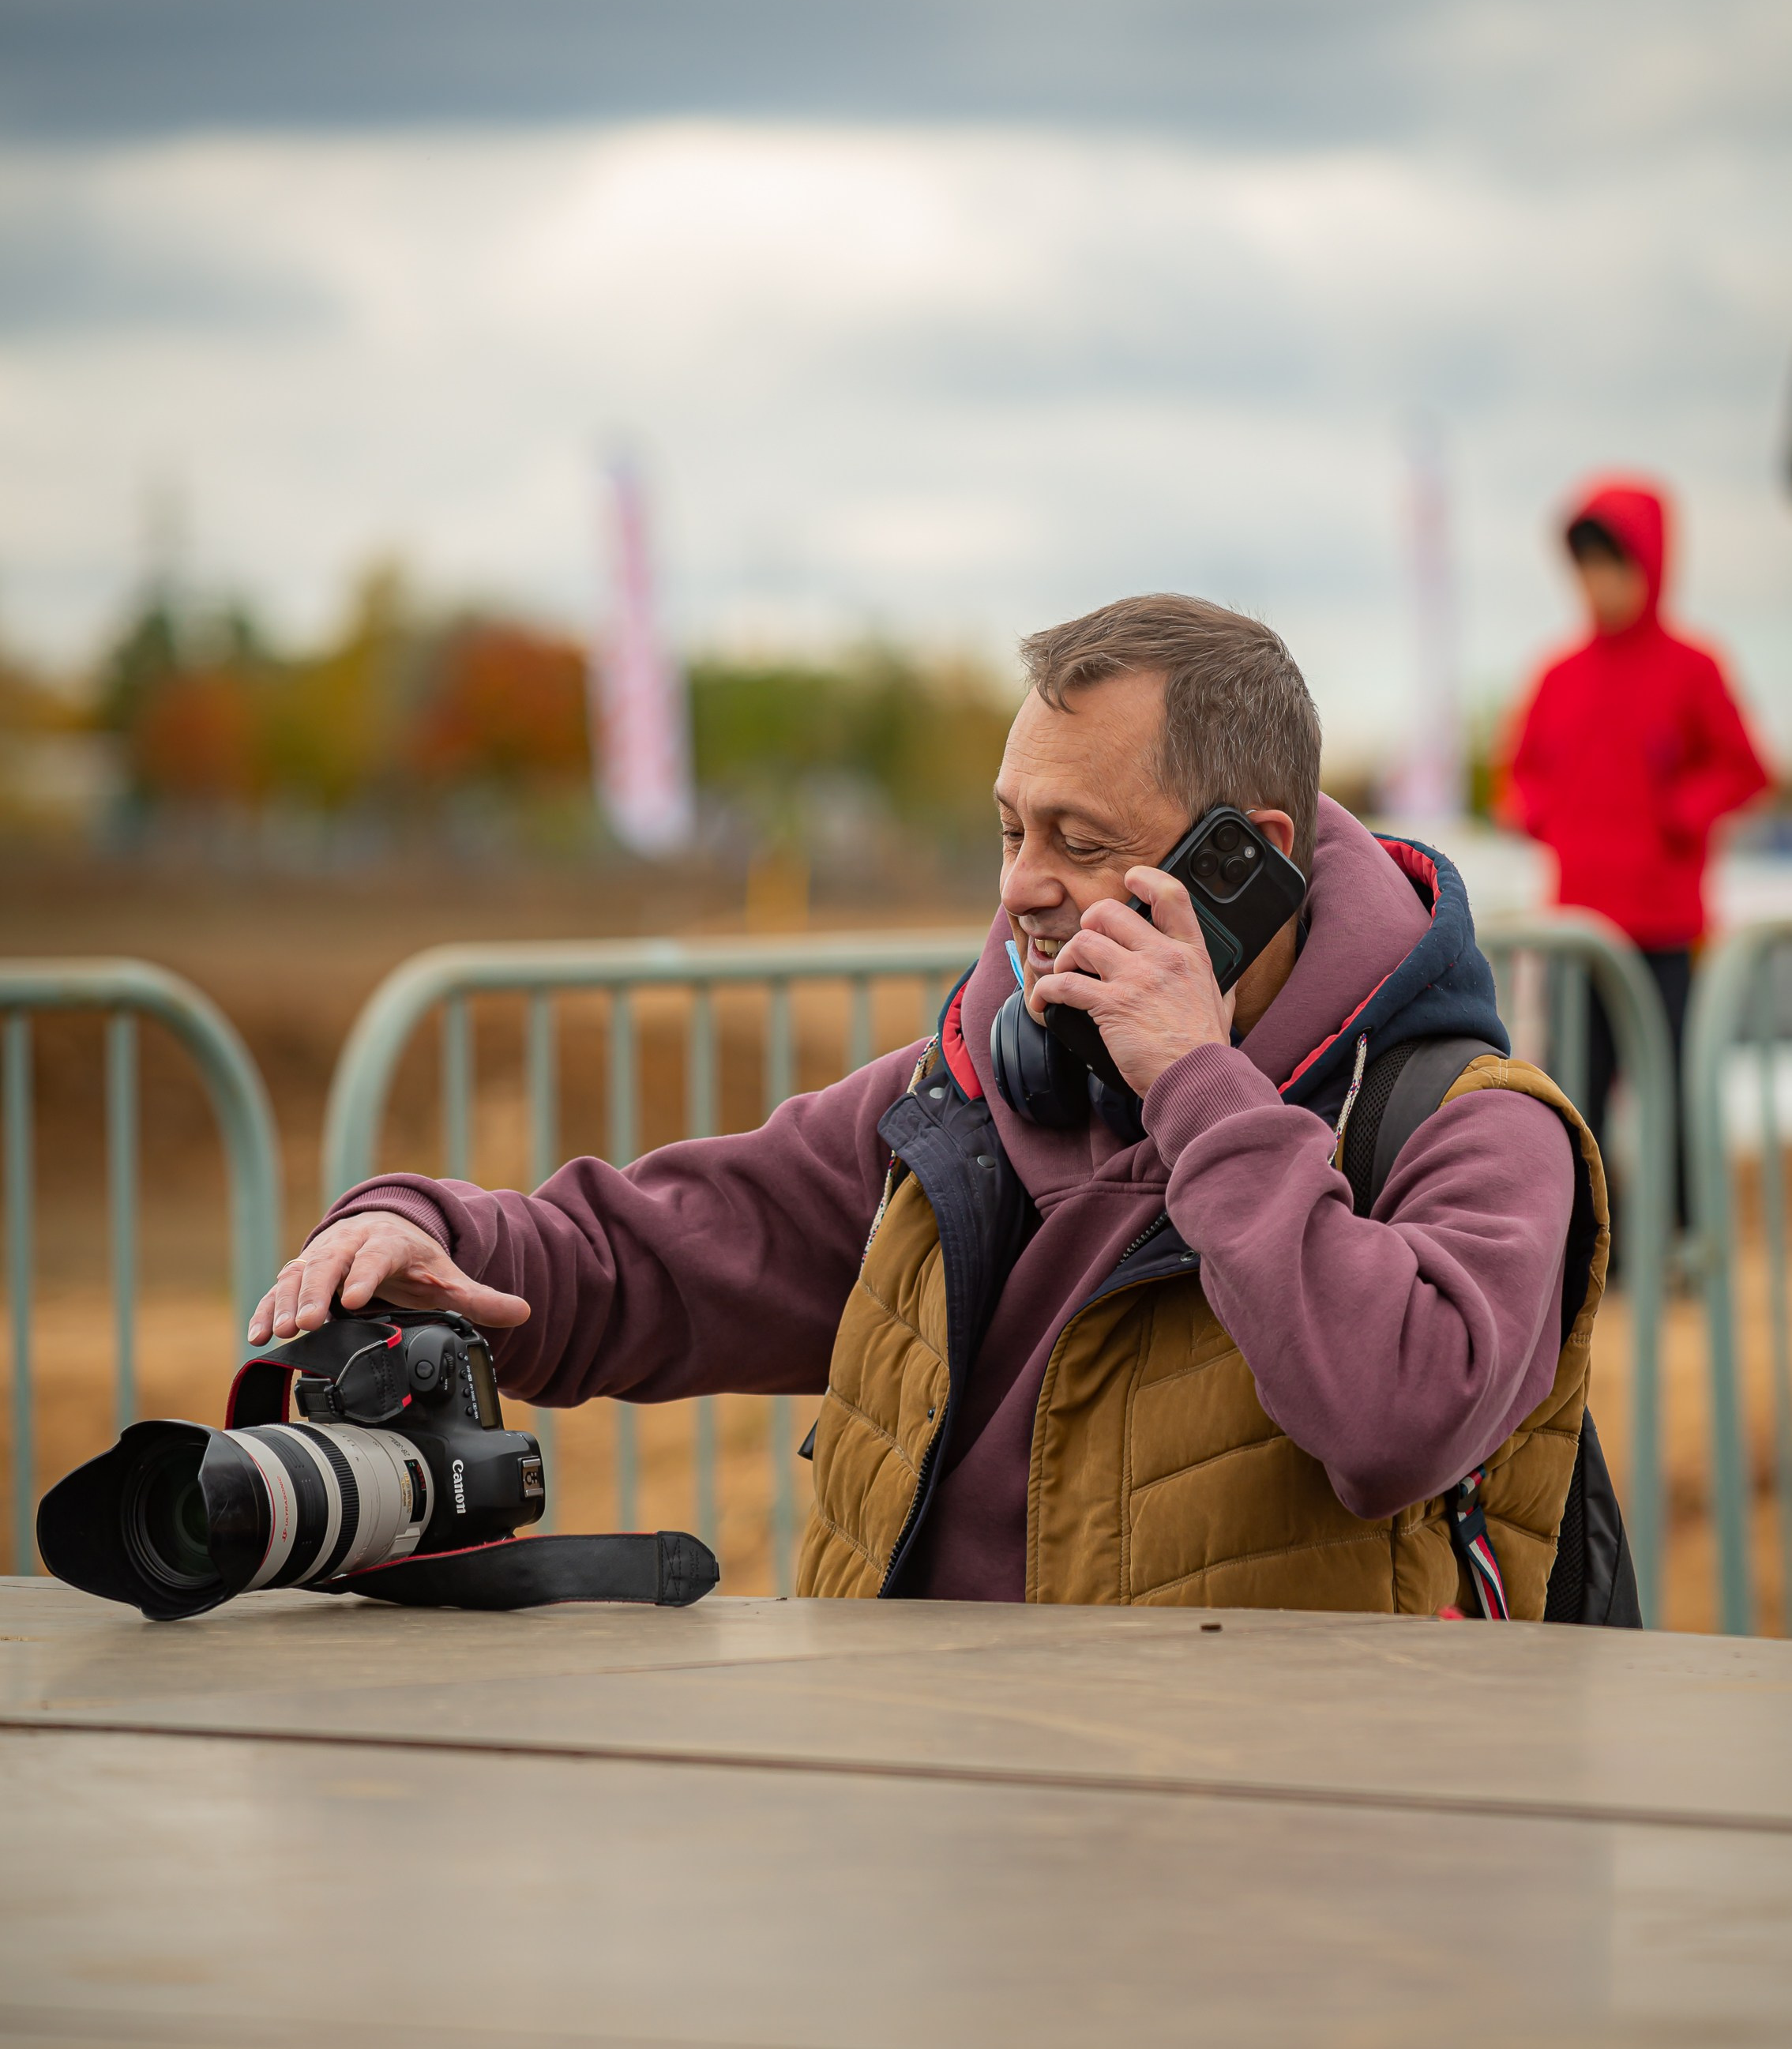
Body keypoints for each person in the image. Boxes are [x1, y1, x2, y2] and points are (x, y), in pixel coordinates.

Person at [257, 594, 1608, 1617]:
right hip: (937, 1848)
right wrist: (426, 1235)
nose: (1020, 885)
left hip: (1280, 1895)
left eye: (1080, 844)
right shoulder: (962, 1103)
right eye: (1009, 830)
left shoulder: (1474, 1128)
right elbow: (650, 1252)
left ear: (1244, 864)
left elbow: (1388, 1420)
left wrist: (1199, 1089)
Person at [1503, 478, 1770, 1236]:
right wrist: (1540, 813)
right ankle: (1597, 1249)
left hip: (1664, 927)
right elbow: (1517, 775)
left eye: (1614, 565)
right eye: (1587, 567)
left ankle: (1687, 1246)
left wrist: (1676, 815)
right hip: (1579, 931)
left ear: (1651, 566)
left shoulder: (1693, 668)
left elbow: (1745, 768)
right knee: (1576, 1094)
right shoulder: (1557, 675)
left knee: (1680, 1089)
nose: (1600, 584)